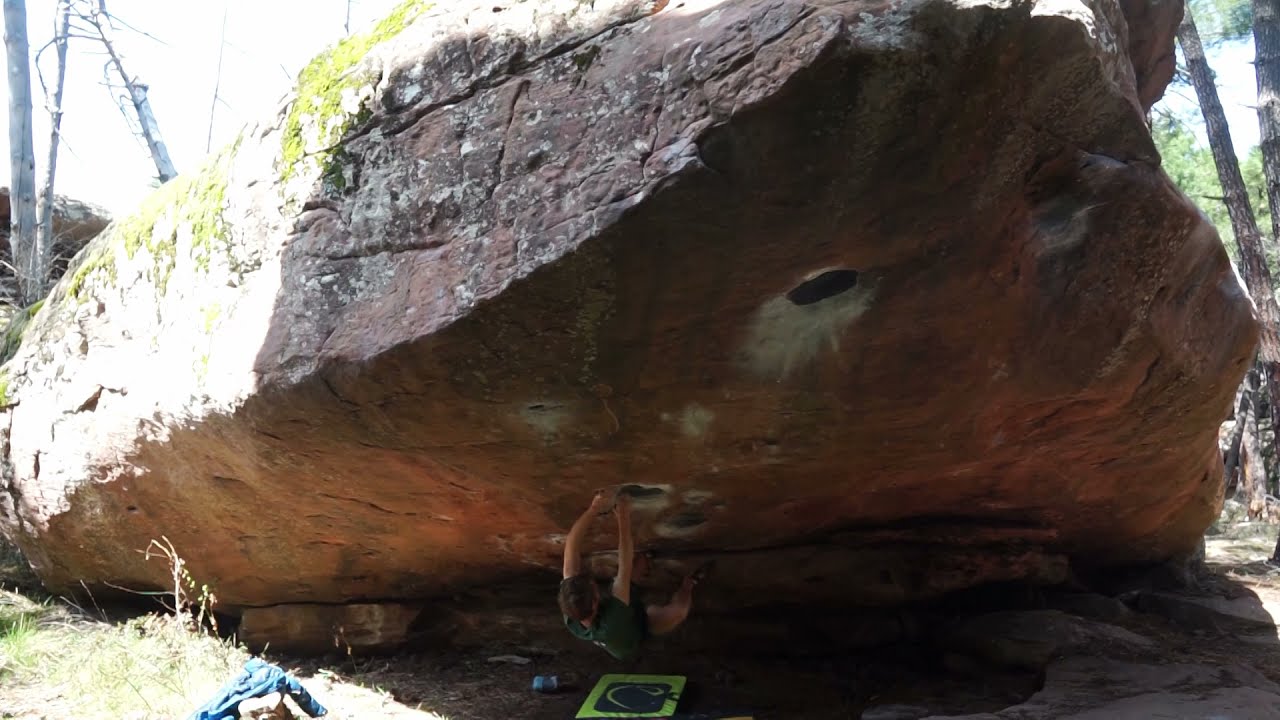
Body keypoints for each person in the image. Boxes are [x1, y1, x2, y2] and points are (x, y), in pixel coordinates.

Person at [558, 490, 707, 661]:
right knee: (678, 612)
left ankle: (643, 567)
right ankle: (689, 584)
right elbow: (625, 564)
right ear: (594, 601)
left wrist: (593, 509)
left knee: (639, 563)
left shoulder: (572, 602)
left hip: (621, 609)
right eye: (593, 587)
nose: (593, 582)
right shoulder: (613, 620)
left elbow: (571, 545)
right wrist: (623, 516)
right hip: (638, 631)